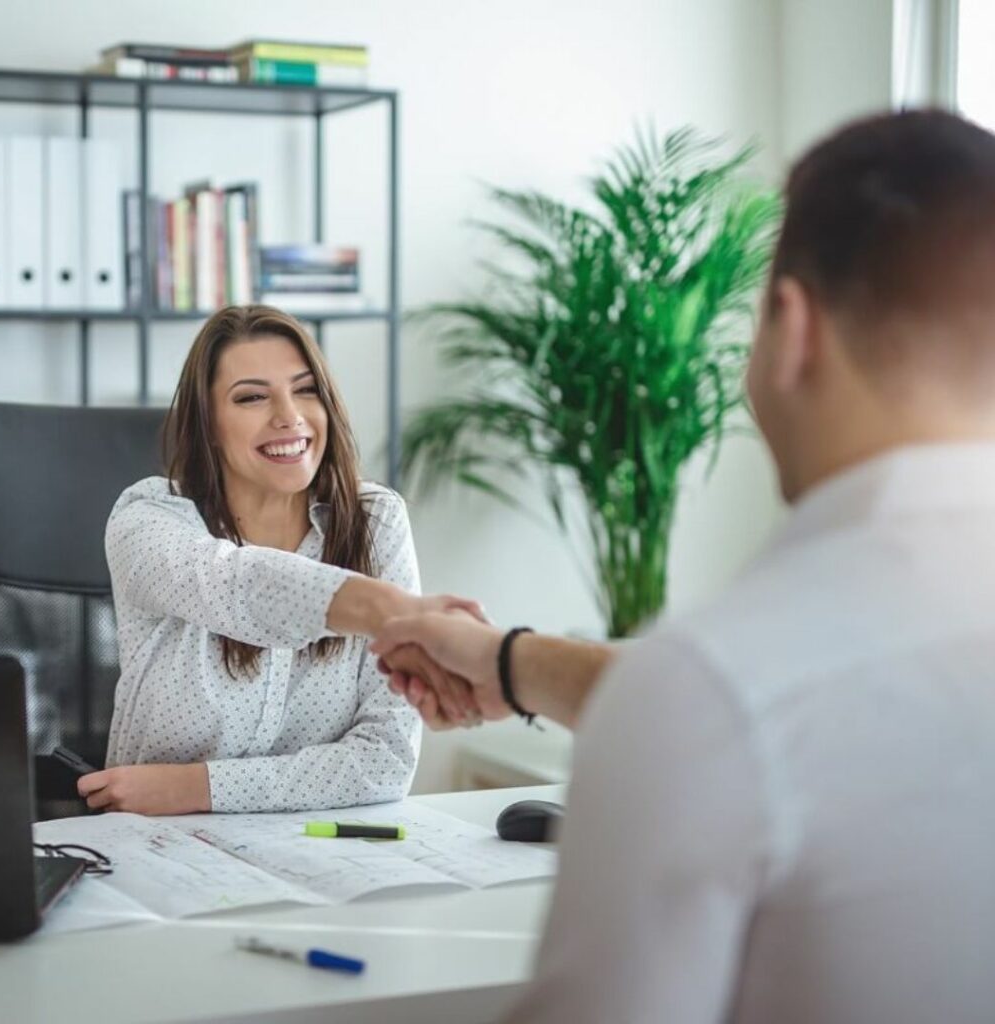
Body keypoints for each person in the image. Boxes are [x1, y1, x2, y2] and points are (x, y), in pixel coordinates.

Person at [372, 109, 995, 1023]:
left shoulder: (718, 681)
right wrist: (509, 660)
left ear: (791, 328)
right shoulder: (731, 685)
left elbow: (735, 708)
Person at [78, 305, 480, 816]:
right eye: (251, 397)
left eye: (306, 389)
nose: (289, 416)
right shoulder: (148, 519)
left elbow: (385, 760)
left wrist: (195, 788)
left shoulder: (375, 519)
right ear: (209, 423)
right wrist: (387, 608)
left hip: (321, 851)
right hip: (159, 849)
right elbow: (237, 585)